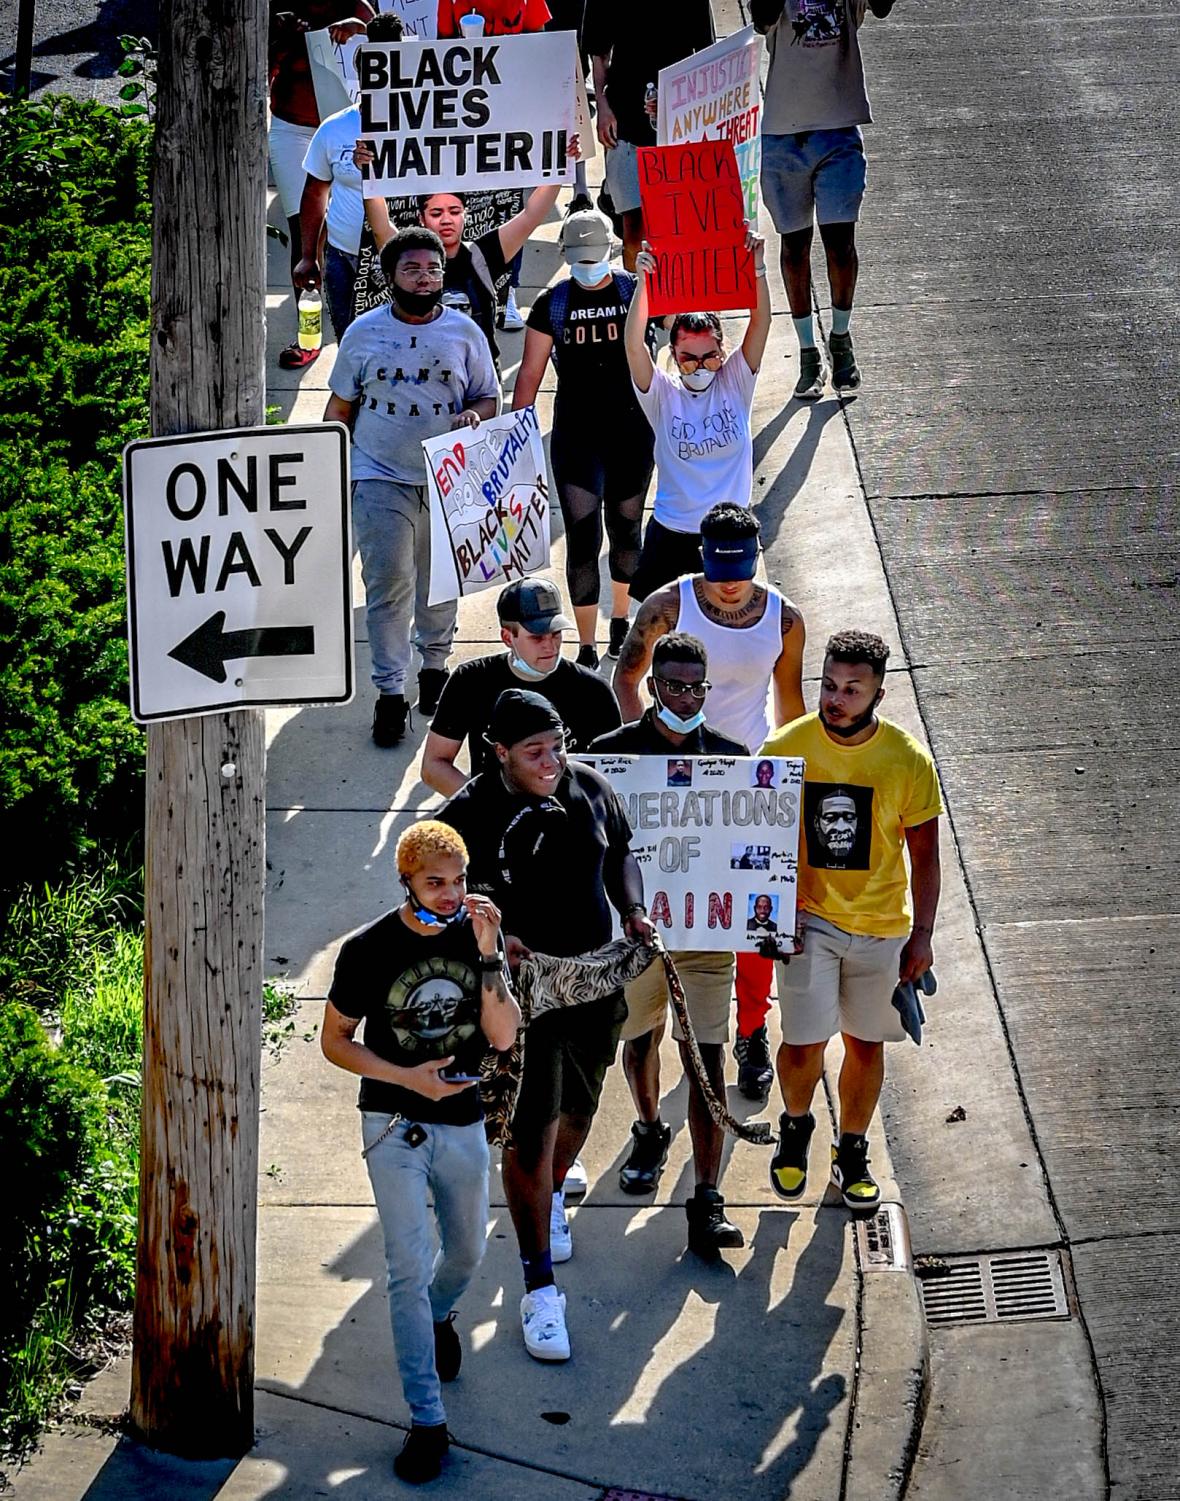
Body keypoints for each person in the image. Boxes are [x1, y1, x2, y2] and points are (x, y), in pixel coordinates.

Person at [440, 689, 655, 1362]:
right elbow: (432, 894)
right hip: (519, 998)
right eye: (535, 750)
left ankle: (552, 1191)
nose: (552, 759)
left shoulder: (589, 784)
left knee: (578, 1116)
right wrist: (485, 936)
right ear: (498, 751)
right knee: (527, 1135)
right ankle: (539, 1289)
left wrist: (635, 909)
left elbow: (621, 851)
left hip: (594, 979)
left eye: (557, 744)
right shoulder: (468, 814)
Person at [321, 820, 521, 1484]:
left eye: (457, 880)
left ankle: (439, 1313)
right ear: (405, 878)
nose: (449, 893)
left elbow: (502, 1034)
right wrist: (408, 1078)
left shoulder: (476, 933)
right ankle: (427, 1421)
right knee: (406, 1265)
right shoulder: (369, 947)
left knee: (467, 1251)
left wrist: (489, 953)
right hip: (392, 1119)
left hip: (462, 1116)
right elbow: (336, 1040)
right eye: (434, 881)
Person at [614, 502, 806, 1104]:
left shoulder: (784, 619)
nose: (730, 579)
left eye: (742, 566)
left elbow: (789, 705)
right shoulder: (666, 607)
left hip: (742, 788)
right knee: (670, 912)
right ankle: (667, 1029)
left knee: (753, 922)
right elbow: (626, 678)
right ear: (701, 555)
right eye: (720, 565)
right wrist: (641, 759)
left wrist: (786, 786)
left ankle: (751, 1033)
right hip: (671, 787)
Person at [759, 630, 943, 1210]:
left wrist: (923, 937)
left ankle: (852, 1152)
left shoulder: (908, 760)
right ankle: (795, 1130)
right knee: (802, 1044)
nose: (835, 699)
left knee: (866, 1046)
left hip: (882, 927)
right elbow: (756, 840)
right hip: (807, 923)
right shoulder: (784, 747)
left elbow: (927, 856)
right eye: (829, 685)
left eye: (851, 690)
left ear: (879, 695)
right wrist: (772, 913)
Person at [588, 633, 750, 1259]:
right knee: (641, 1040)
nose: (685, 696)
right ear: (651, 687)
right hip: (635, 935)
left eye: (696, 687)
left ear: (708, 691)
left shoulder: (734, 759)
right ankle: (651, 1128)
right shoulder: (608, 757)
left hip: (707, 939)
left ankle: (707, 1200)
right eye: (673, 685)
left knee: (709, 1060)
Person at [324, 226, 500, 747]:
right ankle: (388, 693)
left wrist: (473, 415)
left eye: (432, 269)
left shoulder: (465, 333)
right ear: (389, 277)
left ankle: (434, 668)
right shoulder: (361, 333)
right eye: (411, 269)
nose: (424, 279)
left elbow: (489, 397)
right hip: (379, 475)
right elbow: (339, 410)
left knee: (442, 582)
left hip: (447, 478)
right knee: (388, 585)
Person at [512, 209, 655, 667]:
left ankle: (621, 621)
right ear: (566, 257)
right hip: (577, 435)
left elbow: (676, 334)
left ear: (612, 252)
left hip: (634, 431)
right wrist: (514, 440)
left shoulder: (636, 290)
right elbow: (529, 377)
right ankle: (588, 645)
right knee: (582, 537)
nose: (587, 265)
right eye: (579, 258)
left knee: (627, 530)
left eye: (593, 257)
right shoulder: (551, 303)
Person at [751, 0, 897, 399]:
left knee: (840, 244)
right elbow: (761, 14)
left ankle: (841, 338)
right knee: (794, 247)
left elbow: (882, 7)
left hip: (838, 132)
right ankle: (807, 353)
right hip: (783, 136)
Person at [624, 229, 772, 600]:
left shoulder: (735, 382)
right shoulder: (662, 394)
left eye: (710, 356)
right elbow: (632, 345)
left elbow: (761, 323)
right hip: (672, 533)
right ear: (674, 356)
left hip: (729, 535)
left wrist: (757, 268)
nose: (701, 367)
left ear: (723, 352)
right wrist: (644, 284)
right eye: (689, 359)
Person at [363, 147, 581, 368]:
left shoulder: (483, 255)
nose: (447, 220)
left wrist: (561, 164)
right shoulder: (405, 256)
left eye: (454, 212)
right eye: (436, 213)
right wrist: (368, 171)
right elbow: (381, 227)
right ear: (421, 218)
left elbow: (532, 215)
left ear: (465, 214)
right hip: (423, 381)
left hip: (478, 382)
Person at [420, 577, 621, 795]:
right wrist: (487, 809)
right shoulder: (471, 681)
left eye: (556, 634)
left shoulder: (593, 691)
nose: (550, 646)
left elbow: (618, 774)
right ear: (508, 637)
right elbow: (434, 765)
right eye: (537, 637)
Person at [435, 0, 554, 332]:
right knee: (462, 207)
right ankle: (457, 289)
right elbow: (440, 49)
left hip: (509, 120)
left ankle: (508, 293)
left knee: (511, 208)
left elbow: (541, 48)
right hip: (464, 117)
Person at [268, 1, 375, 369]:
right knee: (304, 229)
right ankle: (308, 333)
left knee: (354, 224)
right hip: (293, 128)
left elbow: (394, 48)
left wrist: (360, 28)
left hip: (347, 128)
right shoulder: (274, 8)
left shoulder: (355, 5)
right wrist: (280, 40)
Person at [292, 11, 404, 342]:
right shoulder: (335, 128)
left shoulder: (426, 127)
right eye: (372, 73)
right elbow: (315, 192)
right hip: (344, 257)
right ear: (360, 75)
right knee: (350, 347)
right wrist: (308, 256)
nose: (380, 81)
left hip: (404, 260)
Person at [583, 0, 715, 268]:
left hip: (679, 123)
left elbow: (706, 54)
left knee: (678, 229)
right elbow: (598, 53)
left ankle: (673, 305)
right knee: (634, 236)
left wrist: (683, 98)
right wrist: (602, 105)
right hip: (625, 120)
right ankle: (636, 301)